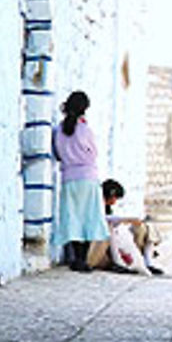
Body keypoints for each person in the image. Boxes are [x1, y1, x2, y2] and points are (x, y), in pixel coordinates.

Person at [51, 91, 109, 271]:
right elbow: (93, 152)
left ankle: (75, 258)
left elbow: (57, 154)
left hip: (69, 178)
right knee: (89, 218)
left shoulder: (58, 130)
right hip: (88, 177)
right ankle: (83, 259)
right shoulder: (85, 129)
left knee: (73, 217)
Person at [88, 179, 164, 275]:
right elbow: (103, 220)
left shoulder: (109, 209)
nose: (115, 201)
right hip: (100, 252)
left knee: (145, 227)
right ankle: (119, 263)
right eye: (115, 198)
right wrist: (125, 220)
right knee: (109, 227)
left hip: (119, 248)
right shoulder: (93, 207)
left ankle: (147, 261)